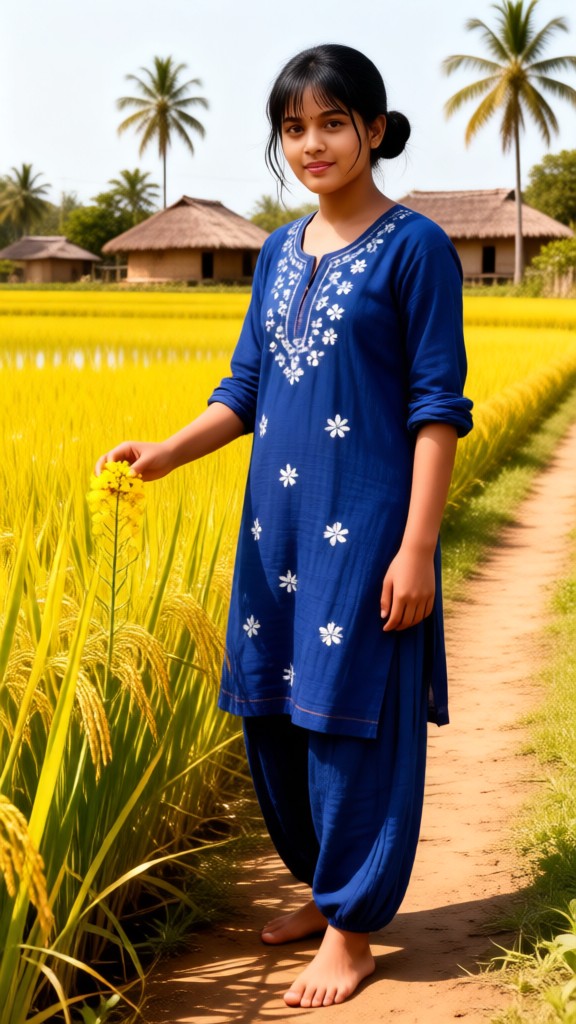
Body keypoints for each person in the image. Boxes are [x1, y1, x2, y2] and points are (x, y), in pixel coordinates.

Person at [96, 43, 473, 1009]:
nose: (312, 144)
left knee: (351, 719)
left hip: (368, 530)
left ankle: (352, 930)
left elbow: (437, 409)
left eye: (332, 123)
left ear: (374, 130)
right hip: (277, 533)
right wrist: (166, 452)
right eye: (294, 128)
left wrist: (418, 548)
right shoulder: (274, 252)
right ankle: (323, 888)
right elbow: (247, 388)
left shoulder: (416, 248)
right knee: (275, 713)